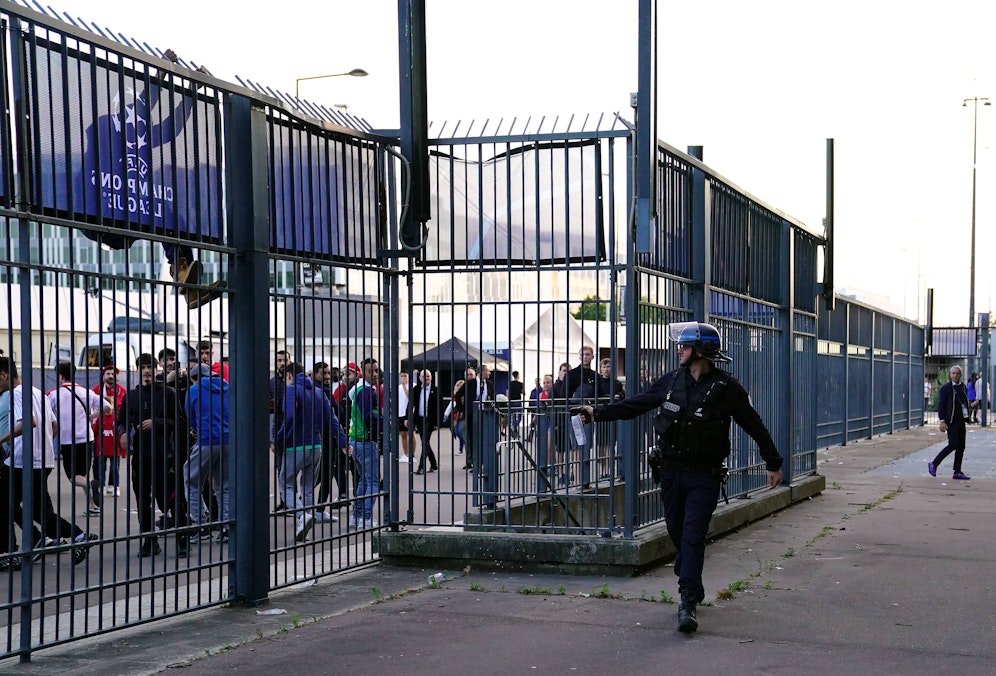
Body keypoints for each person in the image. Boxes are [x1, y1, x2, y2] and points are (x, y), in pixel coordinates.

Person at [575, 321, 783, 634]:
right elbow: (638, 404)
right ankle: (688, 572)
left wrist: (772, 461)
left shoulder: (727, 388)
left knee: (693, 533)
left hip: (705, 474)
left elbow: (754, 424)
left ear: (701, 351)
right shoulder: (672, 380)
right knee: (676, 529)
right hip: (670, 471)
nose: (679, 350)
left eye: (685, 346)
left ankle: (687, 600)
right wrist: (597, 413)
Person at [0, 357, 96, 566]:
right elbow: (53, 426)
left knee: (4, 502)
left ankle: (10, 553)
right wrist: (42, 447)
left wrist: (3, 439)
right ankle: (79, 536)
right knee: (38, 510)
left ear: (4, 375)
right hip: (43, 460)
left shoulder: (17, 395)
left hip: (21, 461)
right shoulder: (37, 392)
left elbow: (29, 422)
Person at [118, 353, 188, 557]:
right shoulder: (131, 396)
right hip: (141, 457)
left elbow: (179, 422)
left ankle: (183, 539)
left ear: (156, 370)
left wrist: (156, 422)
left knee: (173, 499)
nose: (147, 371)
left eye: (150, 367)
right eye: (143, 367)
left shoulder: (168, 393)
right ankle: (149, 541)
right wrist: (122, 433)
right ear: (138, 370)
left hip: (165, 456)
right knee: (143, 500)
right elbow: (121, 420)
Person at [276, 362, 349, 541]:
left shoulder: (292, 390)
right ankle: (305, 523)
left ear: (289, 376)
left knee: (286, 485)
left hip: (296, 445)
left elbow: (290, 416)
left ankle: (302, 516)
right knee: (308, 486)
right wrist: (343, 442)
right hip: (316, 445)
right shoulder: (318, 392)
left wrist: (279, 438)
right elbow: (332, 419)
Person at [47, 361, 109, 516]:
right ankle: (92, 505)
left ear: (60, 376)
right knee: (83, 474)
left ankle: (91, 486)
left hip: (69, 440)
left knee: (74, 478)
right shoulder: (86, 392)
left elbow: (46, 414)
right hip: (87, 438)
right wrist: (91, 416)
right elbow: (108, 407)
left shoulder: (54, 394)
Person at [183, 364, 231, 544]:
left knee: (191, 478)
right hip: (228, 440)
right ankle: (226, 528)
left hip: (207, 439)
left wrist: (196, 430)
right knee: (224, 485)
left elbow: (191, 416)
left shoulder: (194, 390)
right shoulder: (228, 386)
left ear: (195, 377)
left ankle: (201, 525)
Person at [347, 358, 381, 530]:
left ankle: (356, 516)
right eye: (371, 371)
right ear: (363, 372)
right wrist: (382, 427)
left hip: (356, 439)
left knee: (363, 481)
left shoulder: (358, 389)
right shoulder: (367, 392)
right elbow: (369, 417)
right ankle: (366, 518)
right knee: (373, 481)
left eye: (376, 370)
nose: (375, 374)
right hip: (365, 440)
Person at [929, 365, 971, 480]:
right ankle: (934, 463)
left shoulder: (963, 387)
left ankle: (957, 471)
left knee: (961, 446)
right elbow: (941, 405)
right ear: (950, 374)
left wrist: (968, 414)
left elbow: (963, 403)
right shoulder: (946, 388)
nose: (955, 375)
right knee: (953, 444)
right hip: (951, 421)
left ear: (961, 375)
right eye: (953, 373)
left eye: (957, 373)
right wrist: (942, 421)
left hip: (961, 420)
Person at [564, 347, 598, 487]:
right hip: (575, 414)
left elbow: (600, 394)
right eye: (583, 354)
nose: (585, 357)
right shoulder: (571, 374)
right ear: (579, 357)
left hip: (589, 415)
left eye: (588, 354)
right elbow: (563, 395)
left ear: (592, 357)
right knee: (578, 448)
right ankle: (579, 480)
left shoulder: (595, 376)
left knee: (586, 447)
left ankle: (584, 480)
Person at [92, 364, 127, 496]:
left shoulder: (122, 391)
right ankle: (99, 485)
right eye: (108, 374)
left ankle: (113, 485)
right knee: (98, 462)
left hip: (115, 428)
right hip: (99, 429)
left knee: (114, 463)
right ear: (103, 376)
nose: (110, 376)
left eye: (113, 374)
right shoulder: (95, 390)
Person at [594, 357, 625, 481]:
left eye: (609, 366)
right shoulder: (598, 382)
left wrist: (619, 396)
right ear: (601, 368)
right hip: (601, 415)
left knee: (611, 444)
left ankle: (610, 469)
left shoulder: (616, 383)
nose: (606, 369)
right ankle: (604, 470)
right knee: (602, 445)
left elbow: (622, 396)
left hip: (612, 415)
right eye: (604, 366)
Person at [269, 350, 291, 510]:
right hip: (278, 431)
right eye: (279, 360)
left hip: (293, 430)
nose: (281, 363)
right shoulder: (272, 383)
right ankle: (285, 500)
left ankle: (293, 501)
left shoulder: (293, 382)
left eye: (284, 360)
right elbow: (269, 412)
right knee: (280, 468)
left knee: (292, 468)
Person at [411, 369, 440, 475]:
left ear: (431, 377)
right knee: (425, 442)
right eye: (423, 376)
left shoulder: (436, 390)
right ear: (420, 378)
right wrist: (407, 418)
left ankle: (421, 467)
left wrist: (438, 422)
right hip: (419, 419)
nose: (426, 378)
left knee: (425, 442)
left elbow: (440, 407)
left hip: (430, 420)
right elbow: (411, 404)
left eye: (428, 376)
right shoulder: (416, 389)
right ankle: (433, 463)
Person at [444, 379, 466, 456]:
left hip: (460, 417)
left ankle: (462, 448)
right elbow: (450, 406)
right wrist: (446, 414)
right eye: (457, 386)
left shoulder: (463, 397)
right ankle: (463, 444)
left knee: (460, 432)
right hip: (454, 416)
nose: (459, 388)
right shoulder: (454, 397)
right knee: (455, 431)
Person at [397, 371, 411, 463]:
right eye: (401, 376)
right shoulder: (398, 388)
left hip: (408, 412)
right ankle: (405, 453)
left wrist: (404, 385)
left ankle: (411, 453)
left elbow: (410, 396)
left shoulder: (412, 385)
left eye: (405, 376)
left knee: (411, 433)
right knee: (403, 435)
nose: (403, 378)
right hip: (400, 412)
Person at [508, 370, 525, 438]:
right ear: (517, 375)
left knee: (513, 416)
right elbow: (523, 393)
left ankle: (514, 429)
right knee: (520, 416)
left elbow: (507, 392)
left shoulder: (510, 383)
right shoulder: (521, 384)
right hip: (518, 401)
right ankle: (515, 428)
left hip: (511, 401)